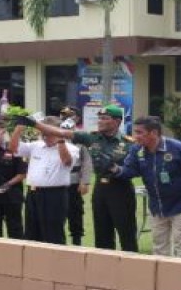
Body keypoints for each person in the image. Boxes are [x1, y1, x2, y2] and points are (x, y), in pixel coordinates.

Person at [23, 105, 136, 251]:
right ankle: (104, 269)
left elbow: (134, 169)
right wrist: (33, 123)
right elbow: (60, 132)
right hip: (101, 190)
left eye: (104, 118)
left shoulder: (129, 143)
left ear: (117, 121)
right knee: (102, 235)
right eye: (99, 118)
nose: (100, 121)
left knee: (126, 233)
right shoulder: (91, 137)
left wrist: (116, 169)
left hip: (121, 189)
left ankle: (132, 269)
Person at [111, 116, 181, 259]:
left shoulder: (178, 148)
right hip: (157, 205)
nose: (135, 136)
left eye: (139, 132)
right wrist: (114, 169)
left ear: (154, 133)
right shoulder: (137, 150)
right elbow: (129, 171)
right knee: (159, 246)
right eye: (134, 132)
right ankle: (163, 279)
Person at [11, 115, 77, 244]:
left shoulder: (71, 148)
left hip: (54, 195)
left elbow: (66, 161)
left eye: (48, 134)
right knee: (31, 233)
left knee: (53, 234)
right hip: (33, 194)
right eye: (43, 134)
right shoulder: (36, 146)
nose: (45, 137)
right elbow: (13, 149)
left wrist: (60, 140)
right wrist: (18, 128)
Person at [60, 108, 92, 246]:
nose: (66, 119)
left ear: (76, 119)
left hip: (74, 181)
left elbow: (86, 162)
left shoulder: (80, 138)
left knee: (76, 212)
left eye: (70, 116)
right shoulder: (54, 135)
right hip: (58, 182)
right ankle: (58, 241)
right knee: (58, 212)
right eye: (64, 116)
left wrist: (84, 182)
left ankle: (76, 240)